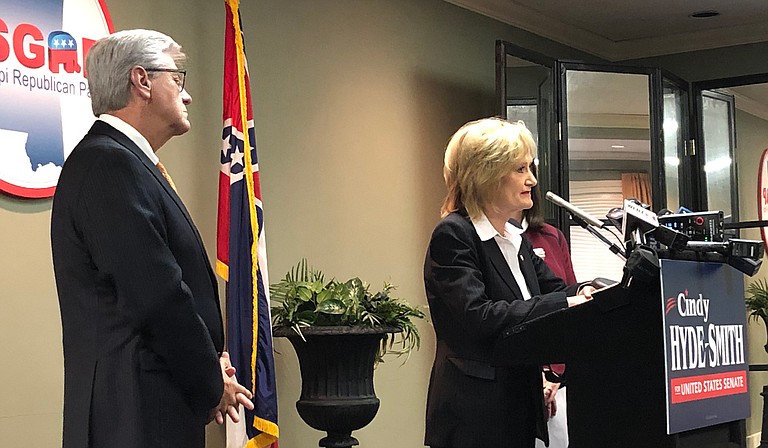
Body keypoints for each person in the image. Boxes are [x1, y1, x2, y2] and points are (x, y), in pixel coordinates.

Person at [50, 29, 253, 448]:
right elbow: (157, 295)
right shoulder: (109, 165)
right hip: (134, 418)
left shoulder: (122, 162)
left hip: (147, 410)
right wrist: (210, 381)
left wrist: (211, 366)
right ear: (141, 81)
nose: (187, 94)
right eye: (177, 79)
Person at [423, 118, 594, 448]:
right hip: (474, 416)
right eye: (519, 169)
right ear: (485, 174)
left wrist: (594, 292)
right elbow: (479, 315)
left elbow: (556, 290)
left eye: (529, 167)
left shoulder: (516, 240)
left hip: (515, 407)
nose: (531, 179)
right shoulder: (455, 235)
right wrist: (565, 303)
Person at [511, 176, 577, 448]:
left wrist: (554, 378)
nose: (530, 179)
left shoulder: (551, 236)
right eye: (519, 168)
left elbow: (569, 299)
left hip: (558, 384)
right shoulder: (475, 238)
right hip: (517, 381)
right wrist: (537, 374)